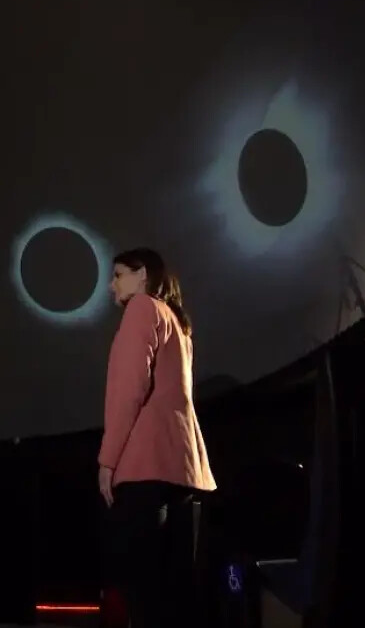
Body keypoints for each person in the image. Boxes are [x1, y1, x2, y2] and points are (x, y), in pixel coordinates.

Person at [99, 248, 217, 628]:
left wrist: (107, 459)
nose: (111, 285)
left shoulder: (143, 308)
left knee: (145, 591)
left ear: (143, 276)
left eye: (118, 274)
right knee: (171, 591)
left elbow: (128, 390)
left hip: (144, 468)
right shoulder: (178, 322)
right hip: (179, 468)